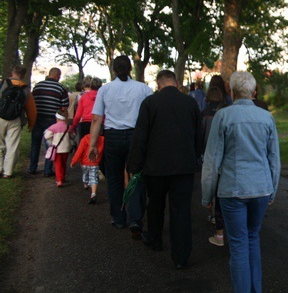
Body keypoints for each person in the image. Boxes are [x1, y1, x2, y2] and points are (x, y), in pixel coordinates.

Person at [202, 71, 280, 293]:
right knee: (253, 238)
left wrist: (207, 195)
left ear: (232, 92)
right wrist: (272, 190)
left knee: (238, 244)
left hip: (232, 190)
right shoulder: (267, 118)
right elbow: (274, 159)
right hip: (261, 188)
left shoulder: (223, 116)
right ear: (254, 92)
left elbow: (212, 160)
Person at [128, 70, 202, 269]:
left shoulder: (150, 103)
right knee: (181, 210)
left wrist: (134, 165)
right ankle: (181, 256)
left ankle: (155, 240)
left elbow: (140, 136)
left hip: (155, 166)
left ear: (158, 85)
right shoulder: (190, 103)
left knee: (155, 206)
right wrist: (195, 156)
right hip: (184, 166)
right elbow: (198, 135)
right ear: (176, 83)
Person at [88, 55, 152, 234]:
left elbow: (96, 119)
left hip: (113, 137)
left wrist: (92, 144)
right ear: (131, 68)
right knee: (135, 177)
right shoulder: (143, 89)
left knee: (114, 178)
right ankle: (135, 219)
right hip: (136, 137)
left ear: (114, 70)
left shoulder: (105, 90)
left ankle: (118, 217)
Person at [201, 85, 229, 246]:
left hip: (209, 151)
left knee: (212, 182)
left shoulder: (204, 114)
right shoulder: (227, 114)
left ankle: (217, 224)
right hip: (225, 158)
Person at [29, 67, 69, 176]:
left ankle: (32, 168)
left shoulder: (38, 86)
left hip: (38, 118)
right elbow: (65, 106)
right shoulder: (60, 88)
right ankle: (47, 170)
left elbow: (32, 102)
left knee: (35, 143)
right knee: (51, 145)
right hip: (52, 119)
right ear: (57, 76)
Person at [0, 65, 36, 178]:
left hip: (0, 117)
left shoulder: (3, 84)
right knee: (12, 146)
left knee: (0, 145)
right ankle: (8, 172)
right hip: (16, 119)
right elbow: (32, 109)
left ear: (12, 72)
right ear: (23, 75)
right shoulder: (25, 89)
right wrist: (31, 124)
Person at [70, 133, 105, 204]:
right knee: (94, 177)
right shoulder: (103, 139)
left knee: (85, 174)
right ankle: (93, 193)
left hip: (84, 163)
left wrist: (74, 161)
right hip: (95, 162)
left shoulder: (85, 139)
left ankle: (86, 183)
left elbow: (79, 151)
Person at [43, 109, 73, 187]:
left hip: (57, 149)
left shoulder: (53, 127)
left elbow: (46, 136)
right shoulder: (68, 127)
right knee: (63, 163)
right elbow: (73, 135)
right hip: (66, 148)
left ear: (57, 118)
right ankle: (62, 177)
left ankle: (59, 180)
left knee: (58, 164)